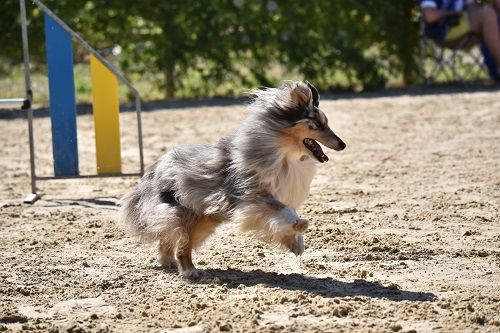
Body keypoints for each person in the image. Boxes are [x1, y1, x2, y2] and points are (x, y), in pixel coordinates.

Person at [420, 0, 500, 81]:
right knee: (488, 15)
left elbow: (471, 5)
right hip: (445, 31)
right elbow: (429, 16)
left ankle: (495, 72)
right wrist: (452, 12)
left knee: (492, 12)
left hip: (465, 26)